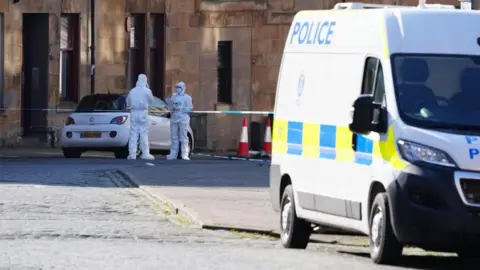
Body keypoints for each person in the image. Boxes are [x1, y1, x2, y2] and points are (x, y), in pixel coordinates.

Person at [126, 74, 155, 160]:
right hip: (143, 112)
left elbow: (128, 103)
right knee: (143, 133)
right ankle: (145, 153)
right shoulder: (147, 91)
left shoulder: (132, 91)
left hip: (134, 112)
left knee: (133, 134)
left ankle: (132, 154)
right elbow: (151, 101)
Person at [166, 81, 193, 160]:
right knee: (174, 137)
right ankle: (173, 154)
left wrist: (181, 108)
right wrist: (172, 106)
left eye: (179, 87)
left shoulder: (187, 97)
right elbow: (170, 107)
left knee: (183, 137)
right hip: (174, 118)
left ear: (183, 88)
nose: (177, 89)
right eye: (177, 87)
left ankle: (184, 154)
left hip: (183, 119)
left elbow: (190, 109)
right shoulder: (173, 97)